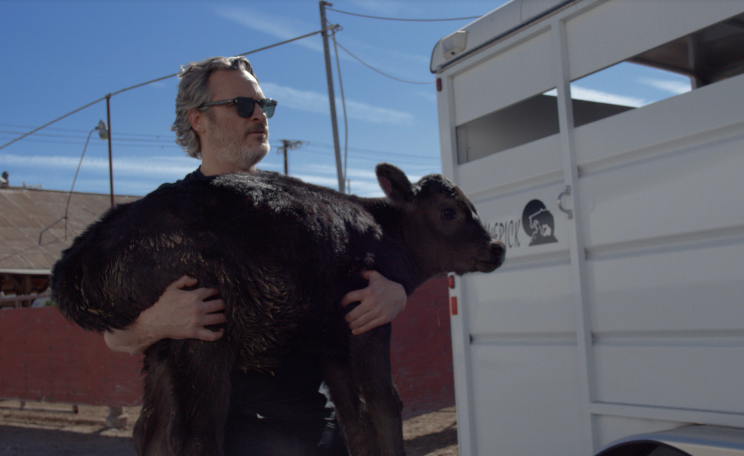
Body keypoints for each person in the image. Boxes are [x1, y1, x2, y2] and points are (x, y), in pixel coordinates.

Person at [103, 56, 408, 455]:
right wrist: (157, 322)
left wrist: (394, 291)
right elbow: (115, 336)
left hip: (314, 434)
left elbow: (382, 272)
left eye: (265, 105)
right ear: (199, 120)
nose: (260, 116)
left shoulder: (307, 210)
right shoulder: (161, 220)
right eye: (244, 106)